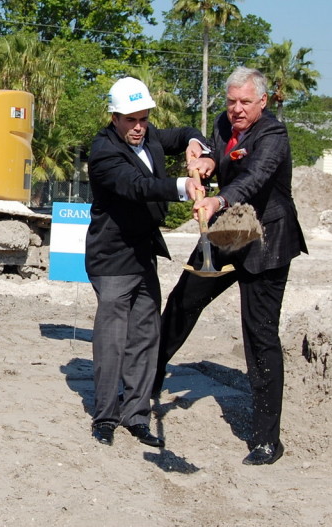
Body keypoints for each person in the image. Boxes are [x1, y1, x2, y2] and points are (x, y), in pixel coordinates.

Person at [154, 66, 307, 466]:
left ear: (263, 102)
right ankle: (148, 381)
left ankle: (266, 439)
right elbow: (216, 153)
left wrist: (217, 200)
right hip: (231, 230)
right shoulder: (224, 123)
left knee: (259, 333)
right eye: (231, 101)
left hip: (267, 237)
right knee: (184, 300)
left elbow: (254, 179)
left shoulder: (274, 135)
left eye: (244, 103)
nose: (236, 109)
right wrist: (206, 161)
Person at [85, 77, 211, 448]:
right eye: (130, 120)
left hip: (143, 254)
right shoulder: (103, 151)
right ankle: (105, 415)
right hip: (111, 256)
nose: (139, 127)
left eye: (143, 118)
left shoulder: (150, 135)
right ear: (114, 117)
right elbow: (136, 187)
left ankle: (136, 414)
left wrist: (195, 143)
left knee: (145, 335)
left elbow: (187, 132)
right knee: (112, 339)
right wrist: (181, 186)